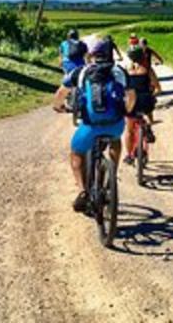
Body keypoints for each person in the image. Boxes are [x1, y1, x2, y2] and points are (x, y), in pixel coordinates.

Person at [53, 39, 136, 212]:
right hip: (115, 124)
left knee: (76, 153)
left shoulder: (81, 71)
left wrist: (58, 106)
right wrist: (126, 110)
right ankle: (111, 173)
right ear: (110, 54)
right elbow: (132, 96)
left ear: (91, 55)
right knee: (115, 141)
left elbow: (61, 93)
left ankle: (83, 191)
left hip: (90, 126)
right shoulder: (119, 71)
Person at [123, 45, 160, 165]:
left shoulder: (126, 71)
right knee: (148, 104)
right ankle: (149, 125)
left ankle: (129, 156)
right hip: (146, 102)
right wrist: (153, 95)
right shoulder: (148, 69)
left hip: (132, 103)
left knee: (129, 131)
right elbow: (158, 88)